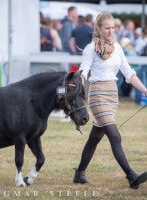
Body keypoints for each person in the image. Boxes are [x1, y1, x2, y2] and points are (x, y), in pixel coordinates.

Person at [74, 12, 147, 189]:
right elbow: (84, 70)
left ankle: (79, 173)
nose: (111, 31)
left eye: (113, 27)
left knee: (95, 137)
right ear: (98, 28)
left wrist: (145, 90)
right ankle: (131, 176)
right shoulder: (91, 49)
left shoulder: (117, 48)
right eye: (107, 28)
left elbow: (129, 73)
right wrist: (79, 83)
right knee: (115, 135)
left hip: (112, 95)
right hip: (97, 95)